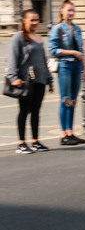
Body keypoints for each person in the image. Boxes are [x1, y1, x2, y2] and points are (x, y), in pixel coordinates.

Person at [7, 10, 54, 154]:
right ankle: (21, 143)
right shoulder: (18, 38)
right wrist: (13, 77)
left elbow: (43, 61)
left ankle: (35, 141)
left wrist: (49, 80)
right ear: (24, 21)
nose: (35, 23)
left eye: (37, 20)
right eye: (32, 20)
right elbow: (12, 59)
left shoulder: (39, 37)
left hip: (39, 80)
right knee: (24, 111)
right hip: (25, 81)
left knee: (36, 111)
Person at [49, 0, 85, 146]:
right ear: (62, 11)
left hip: (77, 66)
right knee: (65, 99)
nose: (71, 13)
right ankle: (64, 134)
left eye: (73, 10)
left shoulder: (77, 29)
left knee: (73, 100)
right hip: (65, 66)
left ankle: (71, 132)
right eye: (68, 10)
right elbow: (53, 50)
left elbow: (82, 51)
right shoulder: (57, 29)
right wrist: (72, 52)